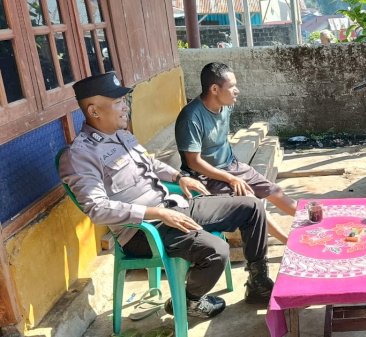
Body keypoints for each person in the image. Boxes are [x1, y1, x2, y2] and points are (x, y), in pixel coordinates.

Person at [58, 72, 276, 319]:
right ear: (94, 111)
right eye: (118, 103)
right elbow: (97, 209)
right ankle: (188, 300)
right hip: (143, 229)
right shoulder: (79, 155)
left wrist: (178, 177)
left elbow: (149, 164)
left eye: (124, 101)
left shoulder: (121, 134)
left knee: (252, 206)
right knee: (216, 251)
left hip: (171, 207)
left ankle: (258, 284)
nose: (125, 107)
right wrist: (157, 213)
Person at [175, 62, 298, 244]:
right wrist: (230, 179)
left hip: (232, 165)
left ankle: (319, 221)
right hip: (204, 176)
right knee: (252, 201)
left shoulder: (226, 106)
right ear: (215, 89)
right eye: (232, 87)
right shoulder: (191, 117)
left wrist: (233, 174)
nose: (237, 91)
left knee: (274, 190)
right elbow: (193, 162)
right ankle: (288, 242)